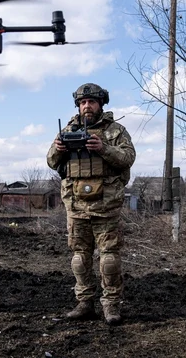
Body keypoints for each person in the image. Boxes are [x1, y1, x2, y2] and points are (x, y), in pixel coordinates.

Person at [46, 83, 136, 326]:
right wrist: (58, 148)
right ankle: (85, 304)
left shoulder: (115, 131)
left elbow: (128, 158)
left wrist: (103, 148)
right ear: (78, 105)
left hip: (106, 208)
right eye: (83, 102)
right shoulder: (68, 130)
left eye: (92, 102)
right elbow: (51, 161)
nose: (87, 106)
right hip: (76, 208)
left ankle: (111, 306)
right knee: (79, 258)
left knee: (109, 259)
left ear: (100, 104)